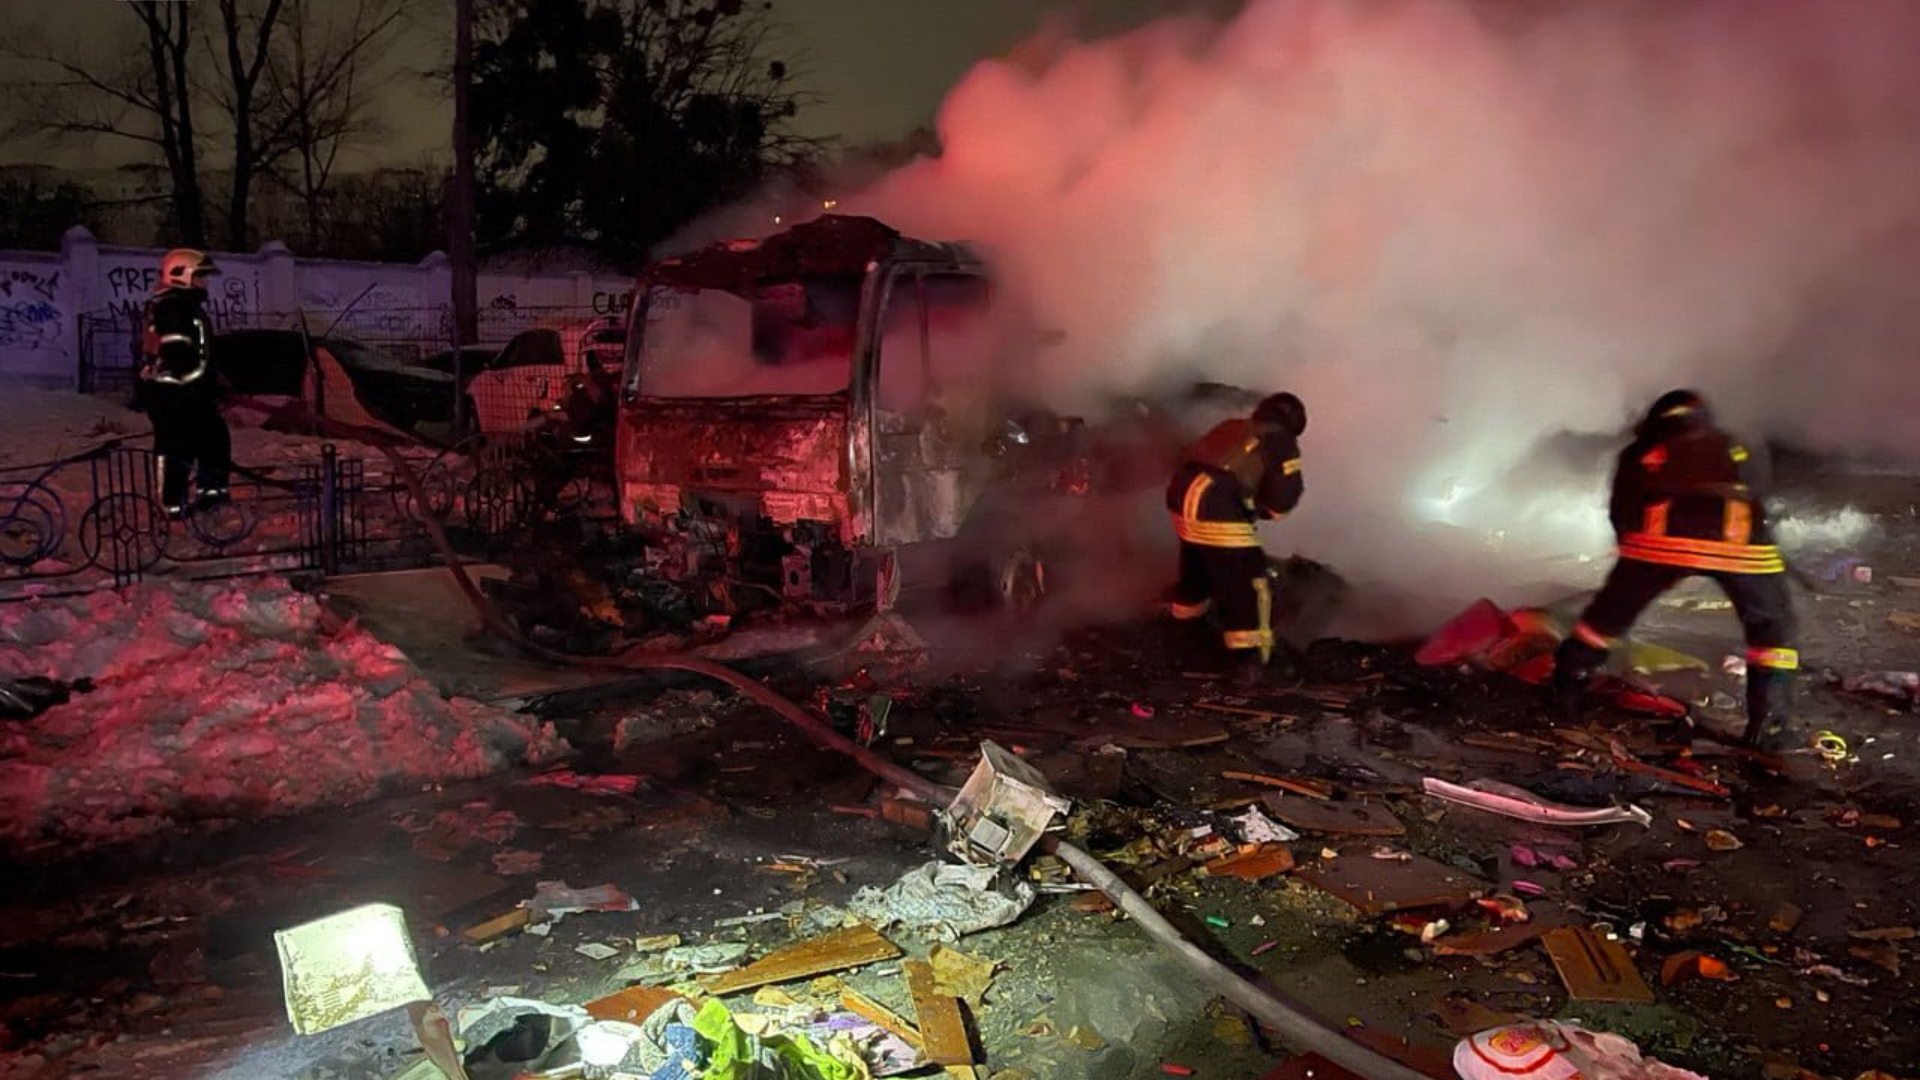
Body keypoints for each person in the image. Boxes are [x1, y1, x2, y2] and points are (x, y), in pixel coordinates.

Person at [1553, 389, 1797, 749]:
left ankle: (1567, 690)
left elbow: (1622, 509)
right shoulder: (1734, 446)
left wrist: (1630, 561)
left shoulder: (1643, 451)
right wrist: (1767, 555)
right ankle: (1769, 727)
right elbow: (1756, 496)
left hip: (1658, 547)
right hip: (1742, 551)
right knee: (1772, 633)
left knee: (1603, 622)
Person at [1165, 392, 1306, 683]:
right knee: (1250, 584)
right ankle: (1254, 661)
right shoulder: (1280, 440)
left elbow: (1187, 456)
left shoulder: (1232, 426)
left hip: (1181, 501)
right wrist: (1263, 510)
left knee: (1198, 566)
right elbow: (1282, 498)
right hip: (1217, 507)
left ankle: (1184, 628)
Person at [137, 248, 230, 518]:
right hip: (172, 394)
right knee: (176, 447)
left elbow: (199, 352)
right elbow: (178, 353)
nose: (205, 282)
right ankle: (172, 505)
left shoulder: (185, 306)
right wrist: (195, 384)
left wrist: (212, 381)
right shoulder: (172, 308)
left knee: (214, 437)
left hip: (190, 391)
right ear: (181, 275)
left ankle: (212, 493)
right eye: (201, 276)